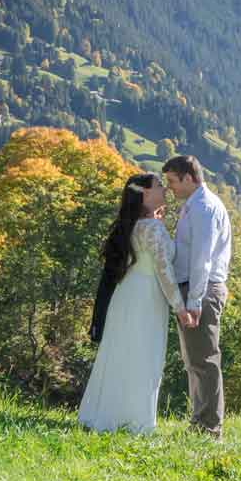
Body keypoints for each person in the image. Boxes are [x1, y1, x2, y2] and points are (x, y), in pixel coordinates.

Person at [77, 173, 188, 433]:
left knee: (120, 354)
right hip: (147, 296)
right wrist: (180, 307)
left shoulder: (133, 225)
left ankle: (105, 415)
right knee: (143, 356)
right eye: (160, 186)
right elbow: (164, 270)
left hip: (126, 293)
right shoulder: (153, 228)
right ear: (146, 194)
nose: (165, 190)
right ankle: (135, 422)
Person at [163, 154, 232, 438]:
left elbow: (202, 260)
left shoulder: (203, 208)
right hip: (194, 288)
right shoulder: (193, 206)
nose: (170, 188)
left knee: (204, 360)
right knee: (194, 360)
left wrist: (193, 302)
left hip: (200, 289)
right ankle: (200, 421)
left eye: (172, 181)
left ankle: (209, 427)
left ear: (188, 178)